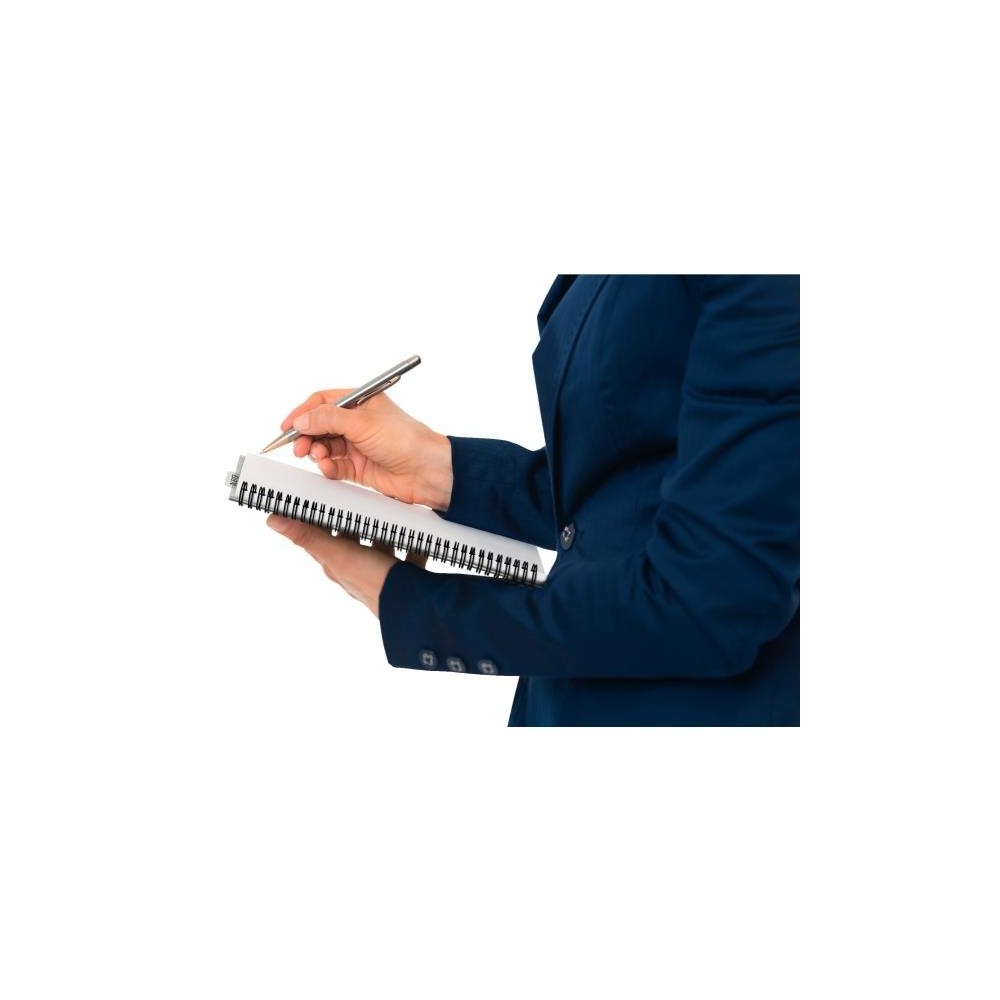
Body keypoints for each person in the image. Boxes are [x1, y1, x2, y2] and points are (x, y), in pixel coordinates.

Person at [266, 275, 800, 726]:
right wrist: (438, 467)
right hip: (565, 699)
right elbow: (634, 490)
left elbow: (707, 600)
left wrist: (411, 603)